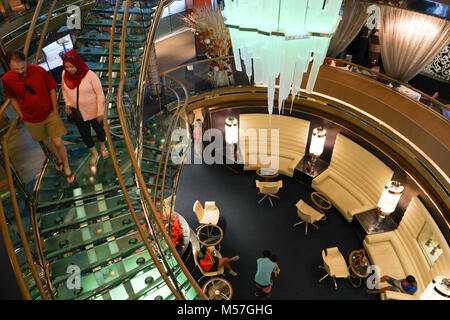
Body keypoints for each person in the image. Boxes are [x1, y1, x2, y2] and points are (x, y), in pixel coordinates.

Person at [2, 50, 74, 184]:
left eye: (22, 67)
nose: (20, 71)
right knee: (46, 141)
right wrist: (21, 115)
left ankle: (68, 168)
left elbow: (51, 89)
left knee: (58, 142)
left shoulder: (39, 71)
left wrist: (54, 109)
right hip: (31, 118)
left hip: (49, 113)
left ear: (26, 62)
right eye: (16, 69)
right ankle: (60, 158)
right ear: (10, 67)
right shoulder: (7, 79)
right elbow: (12, 99)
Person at [61, 50, 108, 168]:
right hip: (78, 114)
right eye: (67, 66)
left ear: (77, 63)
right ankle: (94, 153)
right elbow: (64, 91)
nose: (69, 69)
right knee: (85, 135)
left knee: (99, 131)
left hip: (94, 112)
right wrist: (67, 104)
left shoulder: (90, 75)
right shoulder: (64, 75)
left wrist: (100, 112)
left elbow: (100, 94)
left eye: (71, 66)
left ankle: (102, 146)